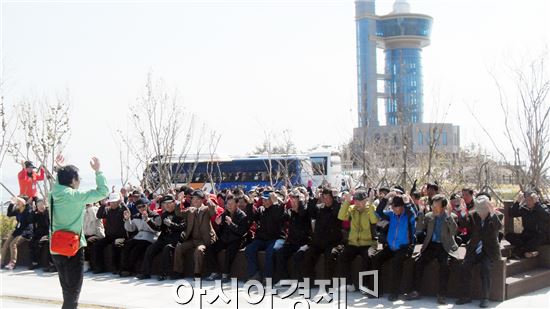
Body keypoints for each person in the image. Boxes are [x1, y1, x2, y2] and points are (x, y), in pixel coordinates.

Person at [49, 156, 109, 309]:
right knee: (73, 292)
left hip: (55, 248)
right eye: (79, 178)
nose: (80, 181)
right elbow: (103, 191)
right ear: (73, 180)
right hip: (72, 249)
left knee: (67, 290)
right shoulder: (75, 196)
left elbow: (59, 183)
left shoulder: (53, 193)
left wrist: (60, 169)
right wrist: (98, 171)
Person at [405, 194, 459, 305]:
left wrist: (448, 217)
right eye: (432, 205)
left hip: (445, 246)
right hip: (431, 245)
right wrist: (420, 212)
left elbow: (454, 232)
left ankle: (442, 295)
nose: (433, 208)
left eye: (436, 206)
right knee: (418, 263)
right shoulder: (429, 216)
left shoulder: (451, 216)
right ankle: (416, 291)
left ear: (443, 207)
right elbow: (419, 229)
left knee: (445, 265)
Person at [455, 195, 502, 308]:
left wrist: (491, 213)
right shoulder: (473, 215)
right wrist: (462, 212)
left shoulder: (497, 215)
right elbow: (463, 225)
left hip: (489, 250)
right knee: (465, 266)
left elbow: (498, 227)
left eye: (483, 211)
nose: (481, 213)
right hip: (474, 249)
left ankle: (485, 298)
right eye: (479, 210)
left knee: (485, 268)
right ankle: (466, 296)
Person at [373, 191, 416, 301]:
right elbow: (378, 212)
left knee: (396, 263)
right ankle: (377, 290)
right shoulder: (391, 215)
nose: (394, 209)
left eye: (397, 207)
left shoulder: (408, 215)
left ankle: (395, 293)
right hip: (391, 247)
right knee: (376, 259)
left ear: (402, 207)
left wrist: (407, 203)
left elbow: (413, 216)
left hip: (405, 247)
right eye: (393, 207)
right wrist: (386, 197)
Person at [337, 189, 378, 293]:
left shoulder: (371, 208)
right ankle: (349, 284)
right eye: (355, 201)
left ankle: (364, 285)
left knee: (368, 257)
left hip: (368, 243)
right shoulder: (351, 209)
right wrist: (347, 201)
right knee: (343, 257)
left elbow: (374, 220)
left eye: (360, 201)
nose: (357, 203)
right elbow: (341, 216)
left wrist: (371, 204)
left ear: (365, 200)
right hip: (353, 243)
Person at [138, 194, 186, 280]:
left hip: (175, 239)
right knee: (150, 248)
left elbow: (182, 227)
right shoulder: (164, 214)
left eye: (169, 203)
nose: (166, 205)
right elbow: (158, 228)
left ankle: (164, 273)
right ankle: (145, 273)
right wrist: (147, 220)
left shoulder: (180, 213)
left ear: (174, 203)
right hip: (164, 238)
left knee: (167, 248)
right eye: (164, 203)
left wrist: (171, 224)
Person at [173, 190, 218, 279]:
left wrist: (208, 200)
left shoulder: (206, 209)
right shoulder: (190, 210)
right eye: (193, 199)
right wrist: (179, 200)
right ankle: (178, 272)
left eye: (197, 199)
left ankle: (197, 274)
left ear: (202, 200)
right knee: (179, 248)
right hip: (192, 239)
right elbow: (178, 213)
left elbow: (213, 212)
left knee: (199, 251)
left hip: (204, 240)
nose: (194, 201)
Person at [244, 191, 286, 283]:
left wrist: (275, 204)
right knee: (249, 249)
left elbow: (277, 218)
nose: (265, 202)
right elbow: (251, 219)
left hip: (276, 238)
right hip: (262, 239)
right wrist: (250, 204)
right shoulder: (261, 209)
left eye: (267, 199)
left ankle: (268, 277)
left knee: (270, 251)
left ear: (272, 200)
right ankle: (255, 274)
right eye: (263, 199)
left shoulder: (279, 208)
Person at [302, 188, 343, 281]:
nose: (326, 200)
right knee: (308, 255)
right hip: (319, 242)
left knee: (330, 257)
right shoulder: (320, 208)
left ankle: (329, 282)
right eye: (324, 197)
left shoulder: (337, 207)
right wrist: (315, 198)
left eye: (328, 197)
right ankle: (309, 281)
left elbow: (336, 213)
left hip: (332, 242)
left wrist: (336, 197)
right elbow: (310, 212)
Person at [205, 196, 248, 282]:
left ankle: (225, 274)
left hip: (237, 239)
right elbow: (220, 231)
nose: (229, 206)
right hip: (225, 239)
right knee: (210, 248)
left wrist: (231, 224)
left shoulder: (242, 215)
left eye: (231, 204)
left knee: (229, 251)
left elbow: (241, 232)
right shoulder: (225, 214)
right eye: (227, 204)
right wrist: (219, 224)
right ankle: (215, 271)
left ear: (237, 204)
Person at [274, 189, 312, 284]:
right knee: (280, 253)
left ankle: (300, 281)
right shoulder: (290, 211)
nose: (293, 202)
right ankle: (285, 279)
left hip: (304, 243)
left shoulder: (305, 210)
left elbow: (302, 213)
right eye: (292, 200)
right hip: (292, 242)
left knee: (297, 257)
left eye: (295, 200)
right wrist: (283, 204)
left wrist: (300, 204)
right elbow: (279, 218)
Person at [119, 198, 160, 277]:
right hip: (139, 236)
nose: (141, 209)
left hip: (151, 236)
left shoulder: (155, 215)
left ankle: (129, 269)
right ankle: (124, 269)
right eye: (138, 207)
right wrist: (127, 220)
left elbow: (156, 229)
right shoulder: (136, 216)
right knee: (126, 246)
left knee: (137, 249)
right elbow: (131, 229)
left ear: (147, 205)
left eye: (143, 206)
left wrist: (147, 219)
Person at [92, 192, 129, 274]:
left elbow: (128, 213)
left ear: (118, 201)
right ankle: (99, 267)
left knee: (115, 246)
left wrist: (122, 202)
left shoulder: (122, 209)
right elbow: (99, 215)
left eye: (114, 202)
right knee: (97, 245)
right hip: (109, 236)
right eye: (111, 202)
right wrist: (103, 205)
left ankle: (116, 268)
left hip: (121, 236)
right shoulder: (108, 210)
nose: (112, 203)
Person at [506, 190, 550, 259]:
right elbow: (512, 213)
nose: (528, 202)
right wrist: (518, 201)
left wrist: (537, 203)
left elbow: (547, 216)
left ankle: (519, 252)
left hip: (540, 235)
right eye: (527, 200)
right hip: (527, 234)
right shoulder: (524, 208)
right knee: (509, 236)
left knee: (537, 239)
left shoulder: (542, 207)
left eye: (530, 200)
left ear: (535, 200)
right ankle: (528, 252)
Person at [1, 196, 33, 270]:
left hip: (26, 231)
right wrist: (11, 204)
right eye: (17, 201)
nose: (17, 203)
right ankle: (1, 262)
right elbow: (9, 214)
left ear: (23, 203)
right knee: (5, 244)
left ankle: (13, 263)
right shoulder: (18, 210)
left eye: (19, 201)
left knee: (13, 244)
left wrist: (29, 206)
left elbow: (30, 221)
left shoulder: (28, 210)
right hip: (18, 230)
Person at [28, 199, 56, 271]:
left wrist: (48, 235)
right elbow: (30, 220)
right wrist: (33, 211)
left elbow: (51, 225)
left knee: (46, 244)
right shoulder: (37, 214)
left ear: (45, 205)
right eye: (38, 206)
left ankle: (51, 264)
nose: (40, 207)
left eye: (41, 205)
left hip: (50, 234)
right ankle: (35, 262)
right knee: (32, 242)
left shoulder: (48, 213)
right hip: (39, 234)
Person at [83, 202, 105, 271]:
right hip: (86, 235)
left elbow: (95, 222)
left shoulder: (94, 209)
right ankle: (86, 264)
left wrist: (90, 207)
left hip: (97, 235)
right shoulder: (83, 212)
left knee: (94, 245)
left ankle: (96, 266)